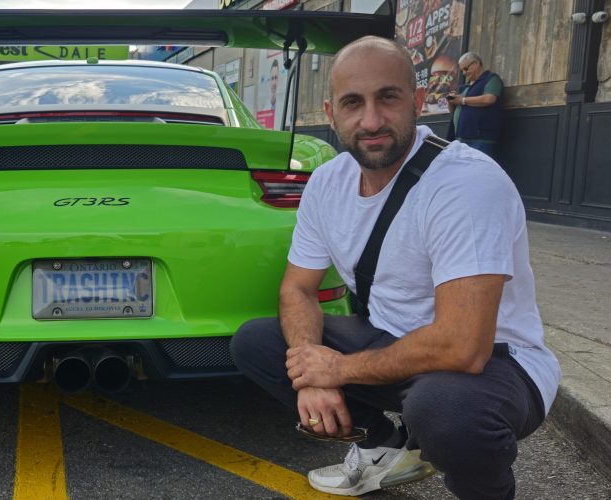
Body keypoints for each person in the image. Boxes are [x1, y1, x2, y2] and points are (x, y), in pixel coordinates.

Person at [230, 36, 560, 499]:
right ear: (331, 113)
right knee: (258, 342)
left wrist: (337, 371)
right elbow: (297, 290)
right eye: (352, 103)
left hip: (499, 364)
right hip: (392, 340)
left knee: (445, 411)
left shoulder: (466, 184)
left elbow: (464, 347)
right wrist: (309, 371)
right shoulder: (328, 183)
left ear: (418, 102)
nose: (371, 120)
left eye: (388, 97)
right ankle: (384, 453)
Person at [446, 52, 504, 157]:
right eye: (462, 70)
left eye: (466, 68)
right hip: (460, 138)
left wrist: (462, 100)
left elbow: (489, 99)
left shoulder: (491, 79)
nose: (464, 73)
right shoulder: (464, 87)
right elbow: (452, 111)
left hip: (479, 139)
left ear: (476, 63)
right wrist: (451, 101)